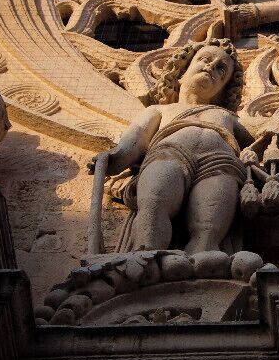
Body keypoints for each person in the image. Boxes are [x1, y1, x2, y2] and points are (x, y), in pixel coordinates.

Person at [90, 39, 254, 253]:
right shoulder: (160, 110)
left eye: (221, 70)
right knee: (154, 204)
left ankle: (204, 262)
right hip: (169, 155)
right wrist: (118, 157)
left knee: (209, 225)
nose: (211, 67)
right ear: (182, 73)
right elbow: (137, 137)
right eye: (205, 59)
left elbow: (257, 133)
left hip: (219, 164)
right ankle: (144, 254)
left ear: (223, 90)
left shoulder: (226, 116)